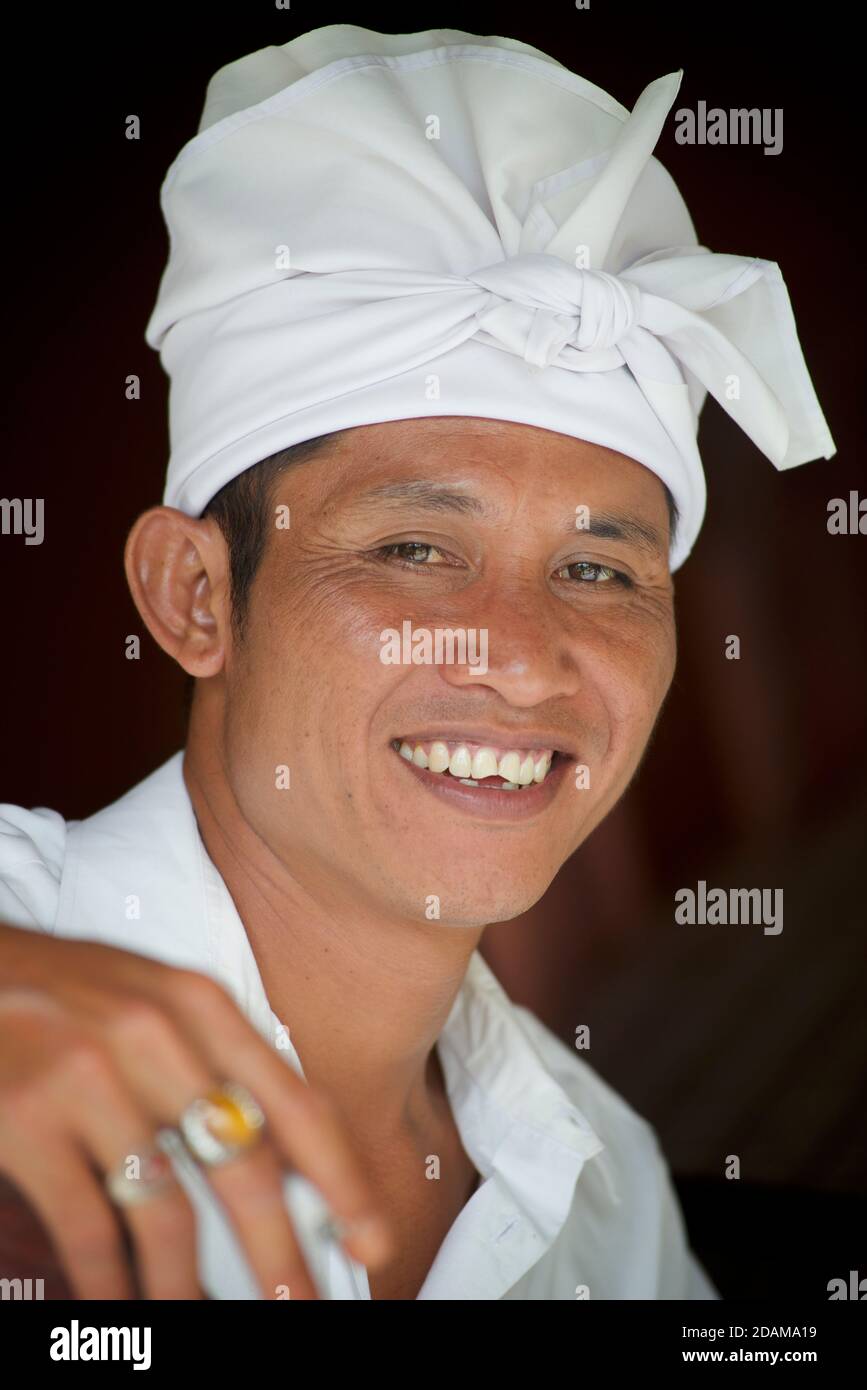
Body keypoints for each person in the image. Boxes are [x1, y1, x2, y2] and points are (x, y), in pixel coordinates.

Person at [0, 24, 834, 1300]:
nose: (519, 657)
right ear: (194, 595)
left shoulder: (602, 1191)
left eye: (601, 569)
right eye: (412, 547)